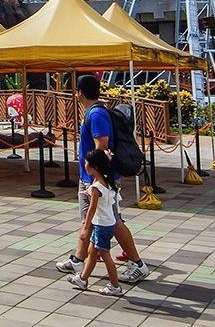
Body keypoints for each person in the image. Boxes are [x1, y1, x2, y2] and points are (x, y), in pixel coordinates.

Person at [56, 74, 149, 284]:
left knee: (111, 221)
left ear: (79, 92)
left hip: (98, 179)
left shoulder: (96, 114)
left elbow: (102, 146)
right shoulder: (94, 111)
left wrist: (98, 178)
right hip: (91, 177)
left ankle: (138, 264)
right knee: (91, 220)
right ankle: (78, 259)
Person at [67, 149, 124, 296]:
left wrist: (85, 228)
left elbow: (91, 209)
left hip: (101, 225)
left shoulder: (96, 187)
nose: (84, 164)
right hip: (107, 223)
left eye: (87, 162)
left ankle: (115, 286)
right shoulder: (104, 181)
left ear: (94, 167)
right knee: (92, 252)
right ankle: (83, 279)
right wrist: (89, 192)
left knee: (105, 255)